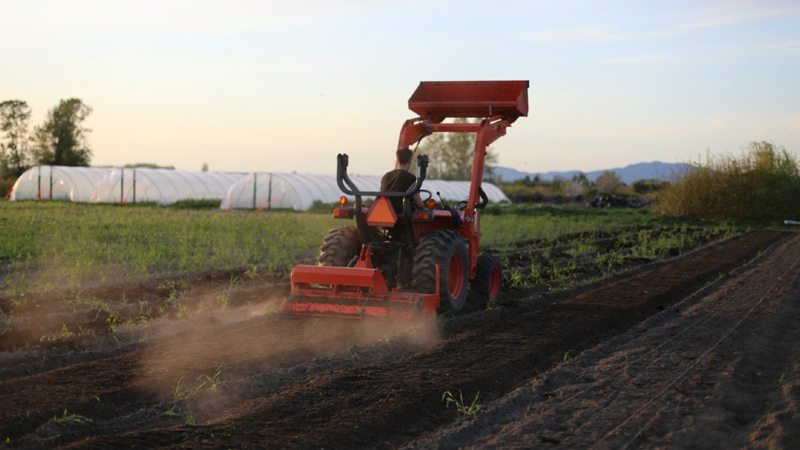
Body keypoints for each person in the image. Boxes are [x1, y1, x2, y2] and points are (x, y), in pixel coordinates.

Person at [381, 148, 425, 214]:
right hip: (402, 216)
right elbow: (419, 204)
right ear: (410, 160)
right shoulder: (410, 178)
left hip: (386, 214)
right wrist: (425, 207)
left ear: (397, 160)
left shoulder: (386, 176)